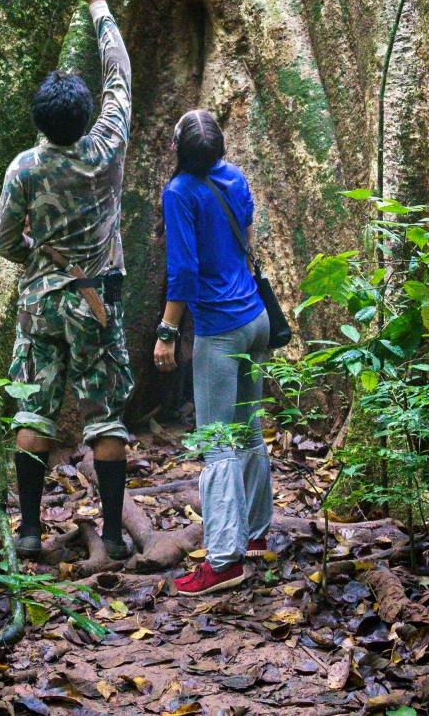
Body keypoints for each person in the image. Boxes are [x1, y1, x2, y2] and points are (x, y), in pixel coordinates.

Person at [0, 0, 135, 561]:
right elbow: (120, 77)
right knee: (103, 415)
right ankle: (111, 533)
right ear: (83, 118)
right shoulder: (106, 147)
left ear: (40, 123)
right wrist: (97, 3)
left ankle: (26, 530)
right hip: (96, 300)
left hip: (43, 302)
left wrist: (35, 258)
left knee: (37, 410)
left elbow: (2, 240)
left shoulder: (25, 166)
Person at [153, 109, 272, 595]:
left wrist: (166, 331)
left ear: (179, 151)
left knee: (218, 443)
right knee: (249, 432)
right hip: (256, 320)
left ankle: (224, 560)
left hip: (221, 332)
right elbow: (246, 235)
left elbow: (182, 270)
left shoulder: (179, 192)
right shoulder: (235, 177)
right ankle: (257, 534)